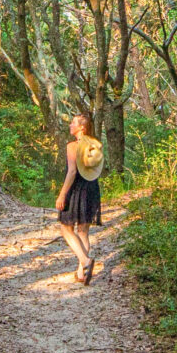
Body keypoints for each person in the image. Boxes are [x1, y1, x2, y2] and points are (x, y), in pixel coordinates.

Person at [52, 114, 105, 284]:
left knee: (66, 229)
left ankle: (86, 261)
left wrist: (62, 194)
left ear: (82, 127)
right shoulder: (94, 145)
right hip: (91, 188)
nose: (70, 125)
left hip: (76, 189)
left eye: (73, 123)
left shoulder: (73, 146)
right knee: (83, 230)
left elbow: (72, 172)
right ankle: (81, 273)